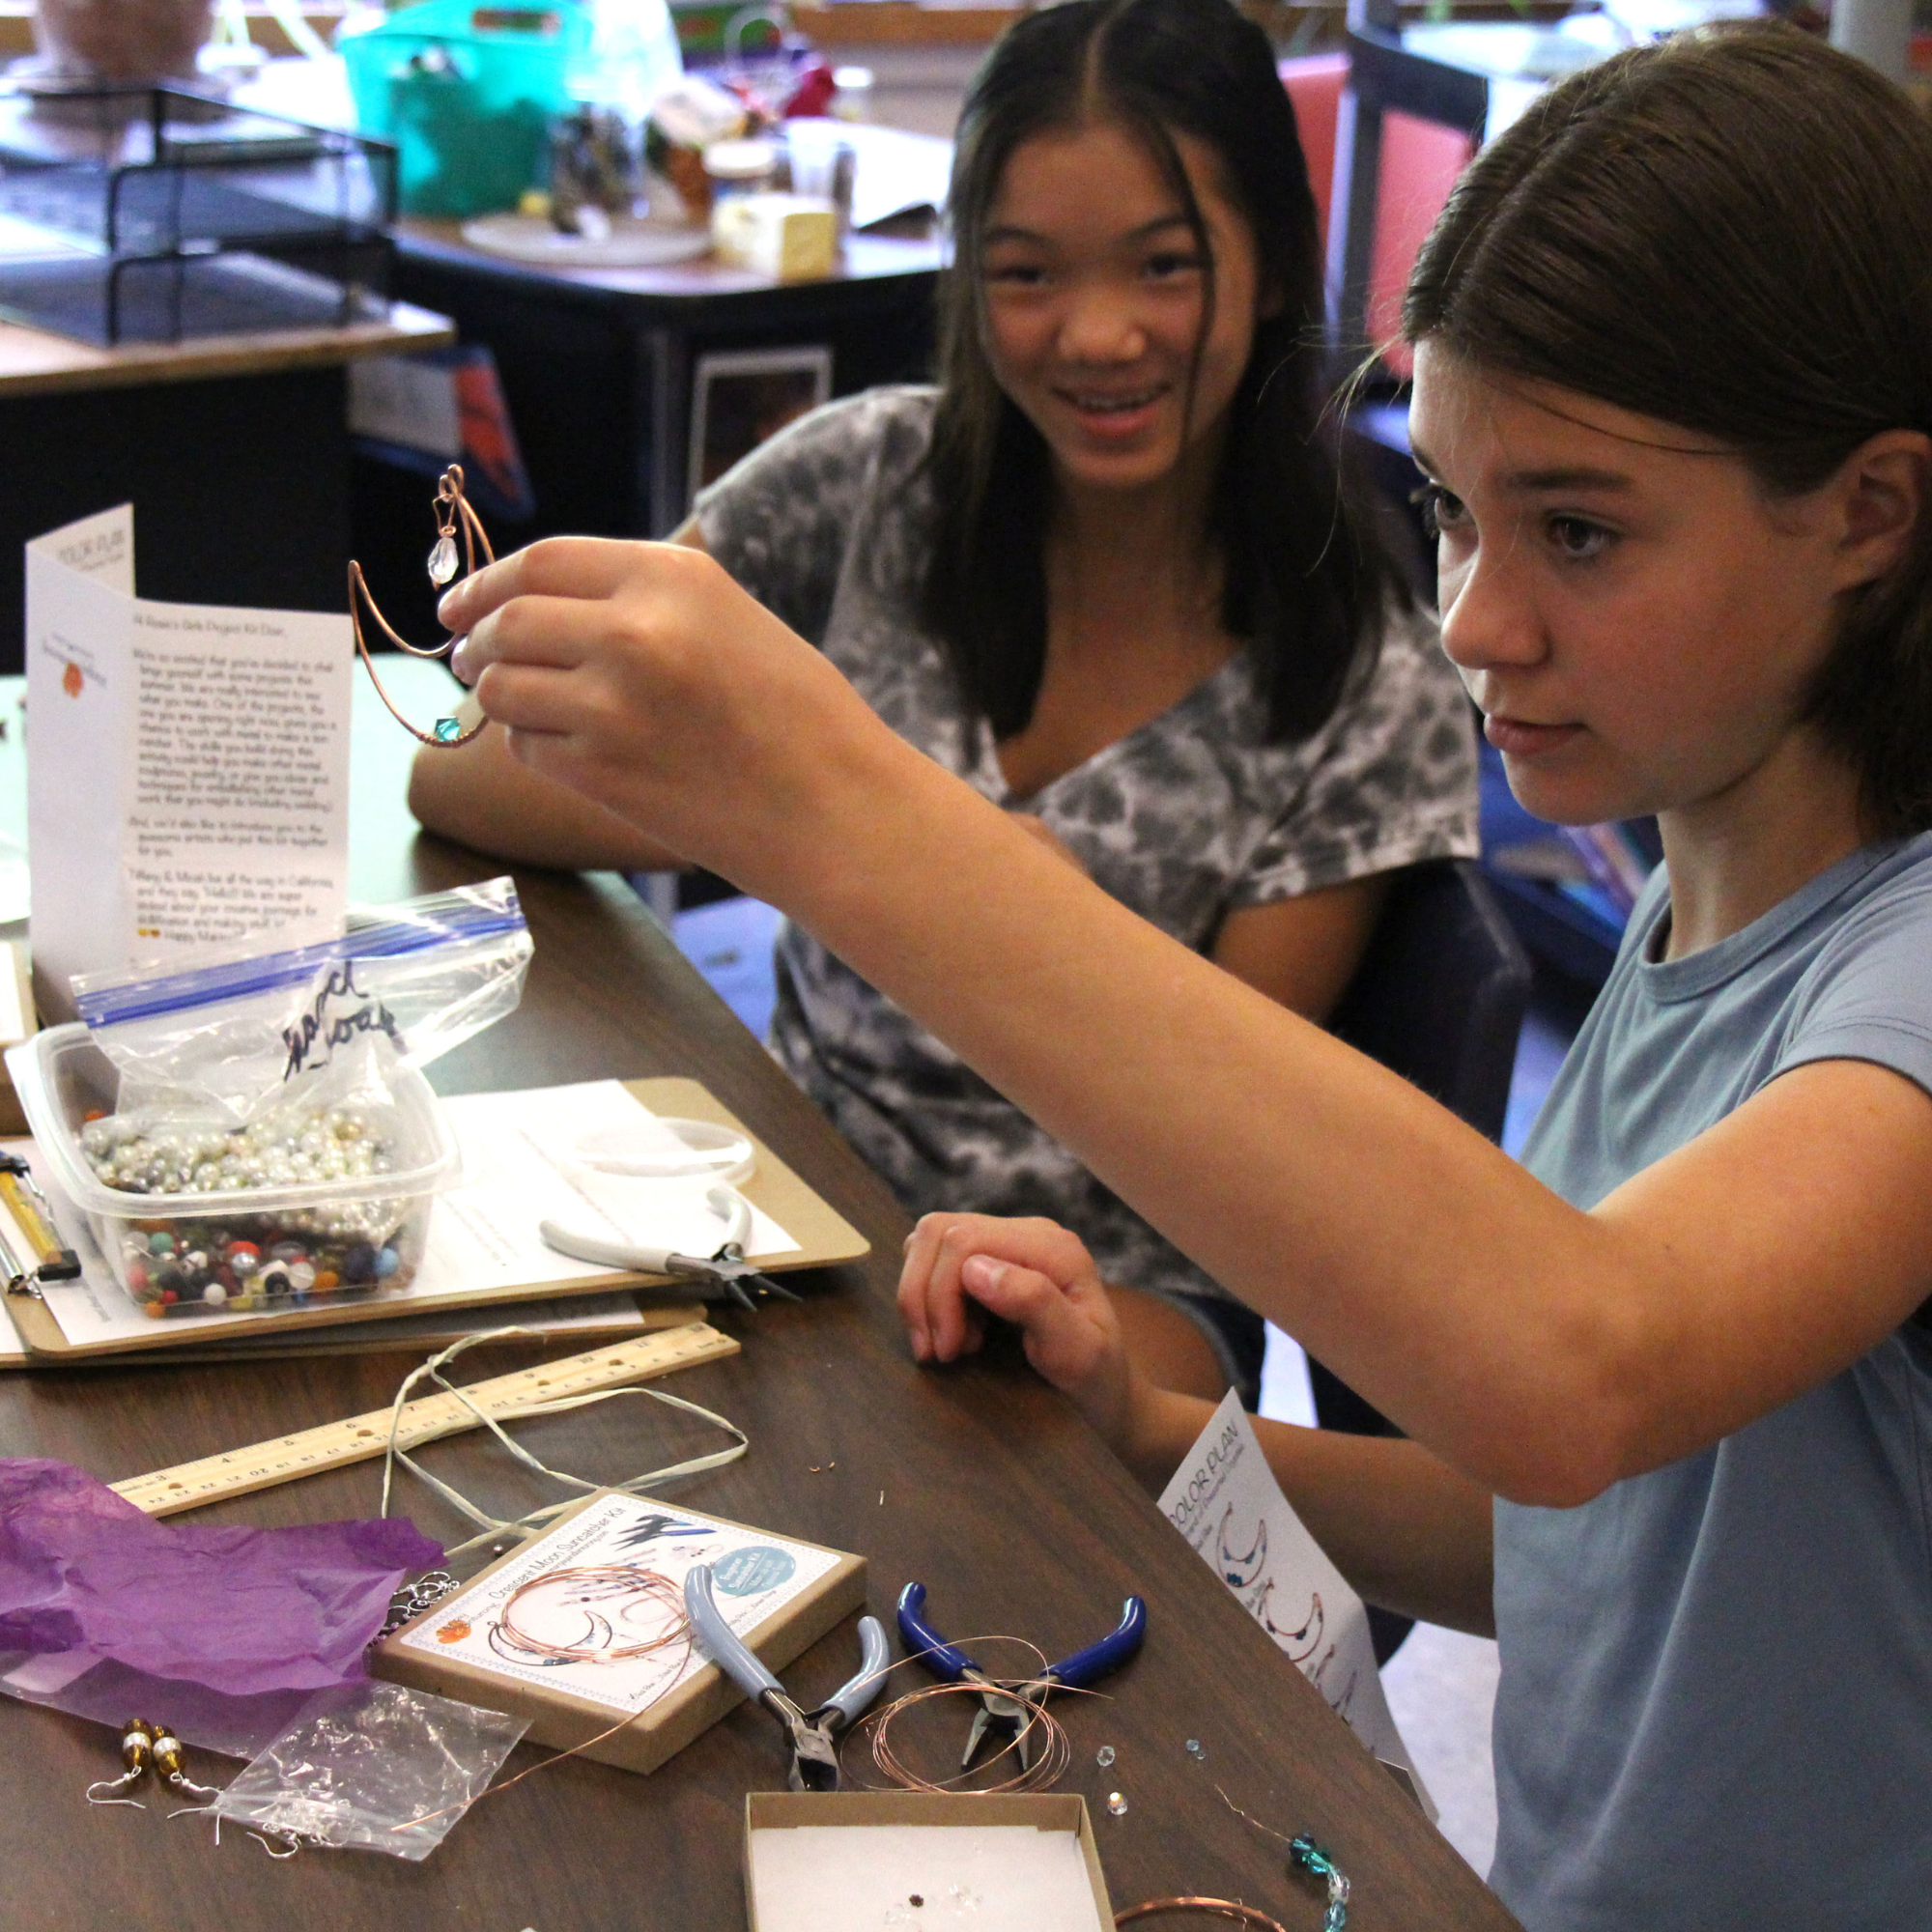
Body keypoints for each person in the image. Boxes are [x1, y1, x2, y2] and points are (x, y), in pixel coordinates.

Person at [434, 21, 1932, 1923]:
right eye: (1459, 512)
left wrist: (820, 799)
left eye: (1575, 529)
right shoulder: (1692, 909)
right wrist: (1158, 1433)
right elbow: (1580, 1532)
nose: (1475, 616)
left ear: (1868, 515)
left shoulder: (1901, 978)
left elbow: (1577, 1372)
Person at [407, 0, 1478, 1406]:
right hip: (779, 1217)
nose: (1098, 336)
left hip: (1116, 1309)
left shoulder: (1368, 677)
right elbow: (454, 764)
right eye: (1026, 273)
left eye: (1164, 265)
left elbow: (1223, 1157)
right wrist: (772, 804)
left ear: (1273, 260)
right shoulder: (864, 484)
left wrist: (861, 830)